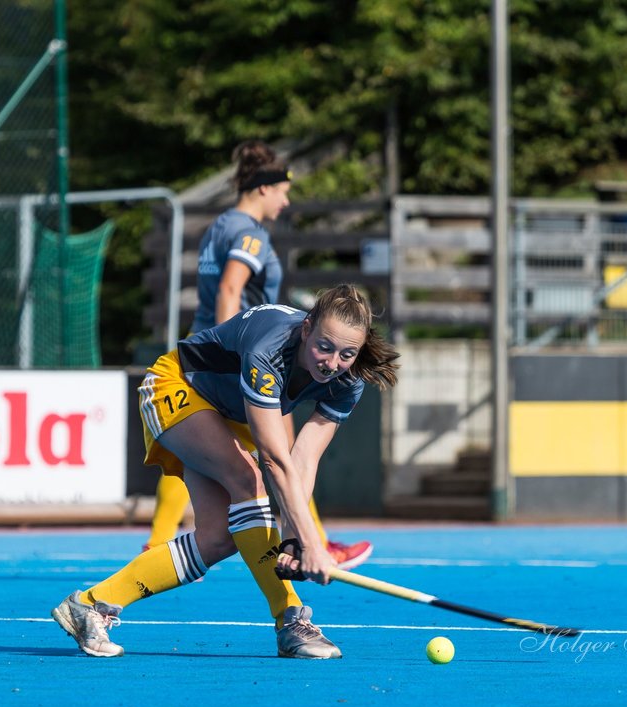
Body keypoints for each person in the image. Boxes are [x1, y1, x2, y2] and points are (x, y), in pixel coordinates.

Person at [51, 285, 400, 658]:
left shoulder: (349, 381)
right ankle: (290, 619)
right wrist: (313, 543)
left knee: (218, 538)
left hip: (225, 413)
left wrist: (294, 539)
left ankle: (90, 603)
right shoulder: (269, 346)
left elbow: (304, 460)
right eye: (324, 347)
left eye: (347, 353)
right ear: (307, 328)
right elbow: (274, 459)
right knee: (247, 480)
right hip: (177, 385)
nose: (332, 362)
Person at [145, 140, 372, 569]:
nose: (286, 201)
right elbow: (231, 288)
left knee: (240, 454)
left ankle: (297, 537)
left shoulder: (220, 225)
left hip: (228, 352)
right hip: (248, 359)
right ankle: (309, 539)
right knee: (273, 457)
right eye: (283, 191)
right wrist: (241, 360)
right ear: (264, 188)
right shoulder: (250, 233)